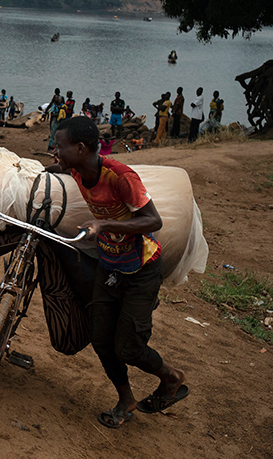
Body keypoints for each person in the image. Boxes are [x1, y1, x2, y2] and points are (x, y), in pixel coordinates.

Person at [46, 116, 188, 430]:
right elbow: (60, 167)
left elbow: (153, 221)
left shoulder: (121, 177)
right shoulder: (78, 169)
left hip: (142, 269)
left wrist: (105, 225)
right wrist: (49, 168)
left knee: (129, 347)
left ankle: (172, 377)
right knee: (100, 339)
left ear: (80, 148)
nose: (54, 150)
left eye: (59, 145)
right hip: (109, 266)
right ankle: (126, 399)